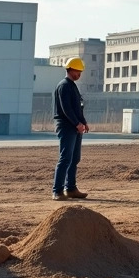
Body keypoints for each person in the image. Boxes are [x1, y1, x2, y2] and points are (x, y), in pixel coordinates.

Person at [52, 57, 90, 201]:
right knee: (65, 158)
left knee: (74, 158)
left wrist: (83, 122)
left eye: (80, 71)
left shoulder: (73, 86)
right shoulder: (64, 86)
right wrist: (76, 123)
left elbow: (77, 108)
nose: (79, 74)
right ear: (70, 70)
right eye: (77, 71)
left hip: (75, 127)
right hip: (67, 126)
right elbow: (66, 109)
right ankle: (57, 191)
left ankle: (71, 188)